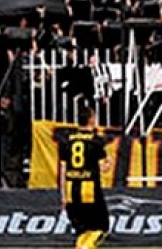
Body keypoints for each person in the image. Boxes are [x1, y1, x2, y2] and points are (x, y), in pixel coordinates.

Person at [58, 107, 110, 249]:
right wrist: (108, 163)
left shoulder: (66, 141)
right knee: (101, 228)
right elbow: (103, 167)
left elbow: (62, 169)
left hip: (71, 191)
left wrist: (63, 195)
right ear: (91, 119)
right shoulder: (96, 141)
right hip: (90, 190)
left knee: (82, 230)